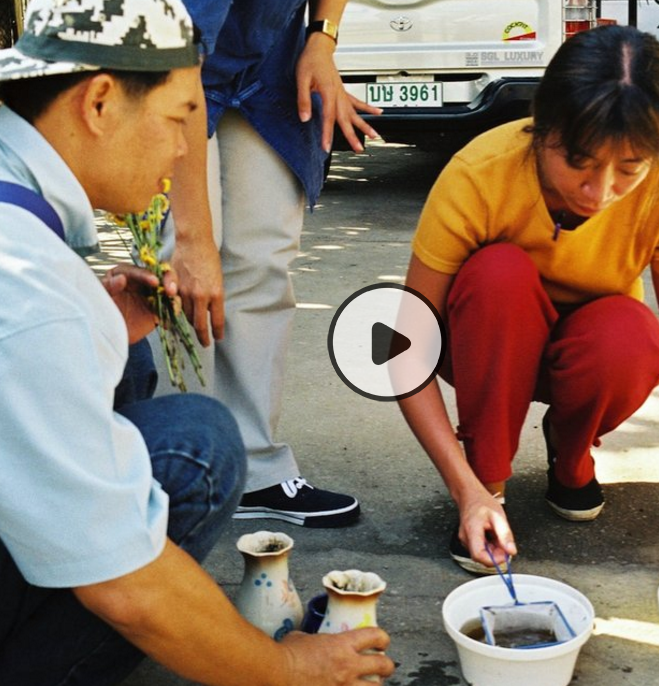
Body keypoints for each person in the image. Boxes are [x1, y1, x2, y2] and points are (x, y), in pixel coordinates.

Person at [0, 1, 393, 684]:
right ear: (98, 102)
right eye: (182, 117)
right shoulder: (31, 286)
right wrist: (283, 665)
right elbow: (123, 584)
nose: (186, 150)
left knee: (127, 361)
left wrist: (88, 327)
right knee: (199, 447)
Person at [397, 24, 659, 575]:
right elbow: (404, 346)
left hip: (587, 360)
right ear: (541, 128)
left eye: (629, 169)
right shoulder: (479, 174)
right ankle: (488, 481)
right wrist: (465, 490)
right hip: (486, 349)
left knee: (632, 333)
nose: (600, 191)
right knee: (498, 275)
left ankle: (572, 452)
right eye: (580, 161)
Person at [156, 0, 381, 526]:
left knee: (263, 261)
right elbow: (178, 55)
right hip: (169, 62)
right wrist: (193, 238)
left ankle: (255, 469)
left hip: (271, 63)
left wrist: (322, 38)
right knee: (179, 274)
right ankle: (176, 472)